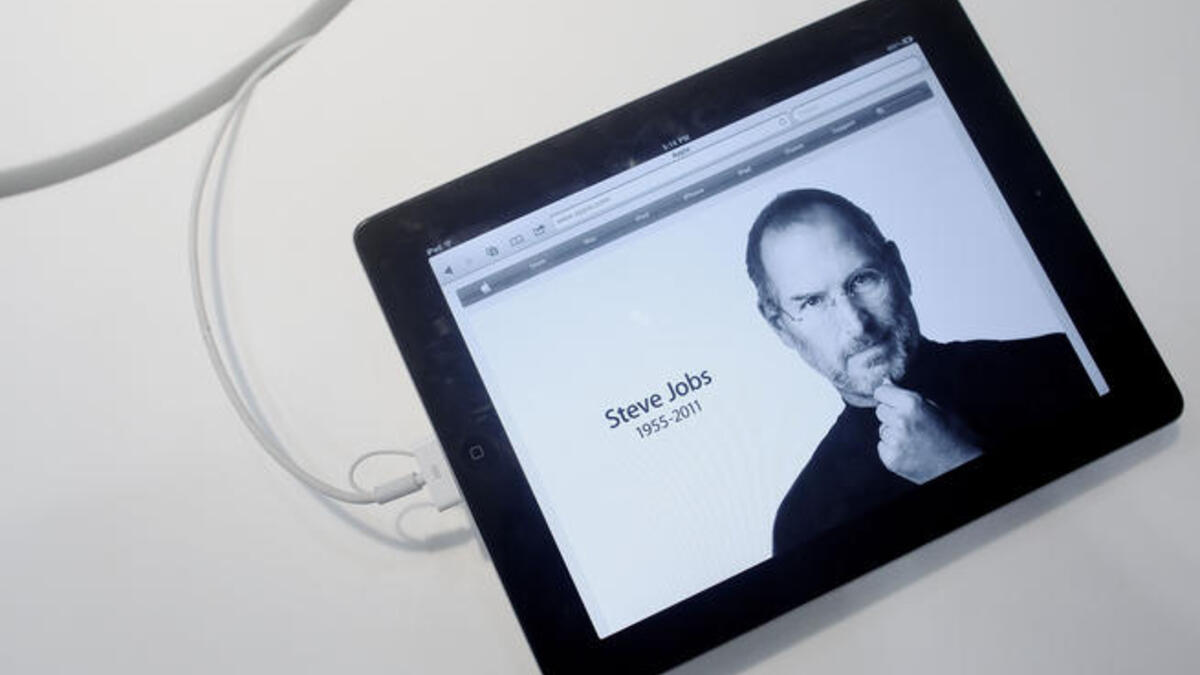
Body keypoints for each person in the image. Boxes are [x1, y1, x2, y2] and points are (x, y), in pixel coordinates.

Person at [744, 189, 1096, 555]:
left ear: (899, 270)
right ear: (781, 327)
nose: (856, 324)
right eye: (813, 302)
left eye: (862, 280)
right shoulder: (804, 523)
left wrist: (954, 466)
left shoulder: (1062, 363)